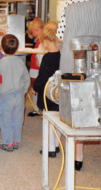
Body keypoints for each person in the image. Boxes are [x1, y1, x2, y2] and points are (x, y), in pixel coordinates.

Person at [56, 0, 101, 171]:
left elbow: (60, 36)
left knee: (77, 106)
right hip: (98, 64)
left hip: (72, 64)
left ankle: (77, 157)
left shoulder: (70, 4)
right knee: (100, 106)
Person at [0, 34, 30, 151]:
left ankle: (8, 143)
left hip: (5, 96)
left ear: (2, 49)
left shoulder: (1, 63)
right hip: (19, 94)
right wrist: (23, 91)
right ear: (17, 48)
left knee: (6, 119)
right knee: (17, 119)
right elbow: (26, 79)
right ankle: (16, 141)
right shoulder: (20, 62)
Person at [33, 28, 61, 158]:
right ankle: (56, 145)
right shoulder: (62, 55)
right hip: (59, 93)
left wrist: (35, 86)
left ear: (45, 41)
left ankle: (49, 148)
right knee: (58, 121)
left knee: (48, 122)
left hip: (47, 94)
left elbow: (43, 76)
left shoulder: (47, 57)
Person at [27, 18, 44, 117]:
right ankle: (36, 107)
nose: (35, 33)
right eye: (33, 31)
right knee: (34, 86)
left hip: (38, 68)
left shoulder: (43, 41)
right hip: (34, 67)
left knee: (37, 87)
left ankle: (38, 108)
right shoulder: (38, 40)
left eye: (37, 30)